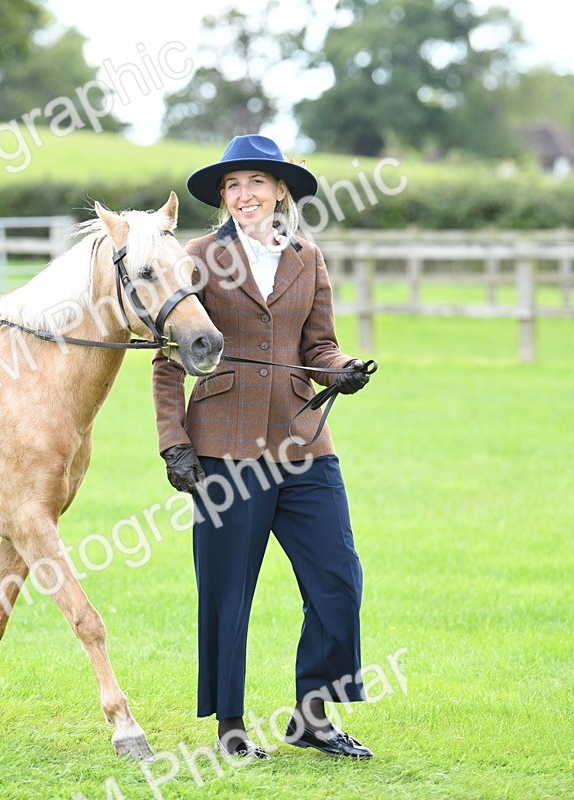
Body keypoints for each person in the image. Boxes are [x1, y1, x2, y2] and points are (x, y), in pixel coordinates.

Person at [152, 134, 374, 760]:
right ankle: (230, 727)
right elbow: (168, 360)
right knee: (227, 593)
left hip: (305, 445)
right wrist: (174, 444)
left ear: (281, 190)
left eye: (255, 183)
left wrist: (344, 370)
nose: (243, 195)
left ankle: (312, 715)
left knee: (337, 580)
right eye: (232, 186)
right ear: (223, 199)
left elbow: (319, 349)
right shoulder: (197, 257)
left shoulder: (309, 256)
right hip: (222, 450)